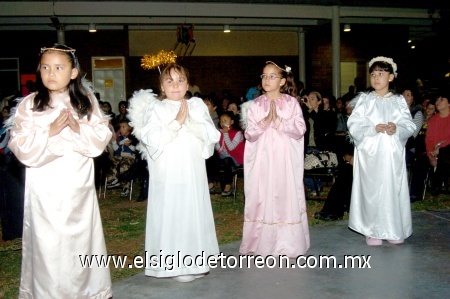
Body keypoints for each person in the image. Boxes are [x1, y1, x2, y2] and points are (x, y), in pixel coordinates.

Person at [6, 44, 112, 297]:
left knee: (80, 241)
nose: (51, 73)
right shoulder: (30, 105)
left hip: (78, 187)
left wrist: (77, 128)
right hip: (45, 189)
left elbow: (100, 138)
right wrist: (49, 131)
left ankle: (84, 290)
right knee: (48, 243)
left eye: (59, 67)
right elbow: (19, 145)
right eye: (45, 67)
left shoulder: (86, 102)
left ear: (73, 72)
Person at [127, 63, 220, 282]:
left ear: (188, 84)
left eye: (180, 80)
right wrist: (176, 123)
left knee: (191, 209)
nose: (175, 85)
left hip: (192, 168)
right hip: (168, 170)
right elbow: (151, 137)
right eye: (169, 81)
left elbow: (210, 134)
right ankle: (172, 263)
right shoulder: (157, 108)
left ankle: (195, 261)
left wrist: (189, 121)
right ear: (161, 86)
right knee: (172, 210)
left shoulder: (196, 105)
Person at [239, 61, 309, 257]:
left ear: (282, 81)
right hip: (263, 161)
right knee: (263, 195)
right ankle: (262, 242)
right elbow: (250, 134)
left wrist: (279, 121)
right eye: (264, 76)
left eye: (272, 76)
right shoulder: (255, 105)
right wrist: (264, 122)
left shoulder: (291, 103)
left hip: (285, 161)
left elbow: (300, 129)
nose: (267, 80)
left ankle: (288, 244)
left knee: (284, 195)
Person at [347, 56, 416, 246]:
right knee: (372, 189)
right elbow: (354, 124)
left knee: (392, 188)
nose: (376, 78)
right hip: (371, 153)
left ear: (391, 77)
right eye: (373, 74)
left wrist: (397, 128)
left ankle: (393, 228)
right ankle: (373, 229)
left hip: (391, 153)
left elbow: (409, 125)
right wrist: (372, 129)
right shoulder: (365, 100)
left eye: (381, 74)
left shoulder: (399, 101)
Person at [314, 99, 355, 221]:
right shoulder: (342, 119)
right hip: (350, 158)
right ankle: (333, 209)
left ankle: (334, 209)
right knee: (345, 171)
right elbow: (341, 142)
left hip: (367, 159)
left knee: (347, 172)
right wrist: (346, 156)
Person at [409, 98, 436, 201]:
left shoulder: (434, 122)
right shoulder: (421, 119)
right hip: (416, 148)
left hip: (426, 151)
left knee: (420, 164)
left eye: (431, 109)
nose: (428, 110)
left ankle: (415, 194)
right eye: (427, 108)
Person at [425, 90, 450, 196]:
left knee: (445, 152)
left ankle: (436, 183)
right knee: (421, 162)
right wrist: (430, 155)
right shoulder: (432, 120)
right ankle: (414, 194)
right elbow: (429, 139)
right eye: (437, 100)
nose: (438, 102)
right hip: (436, 151)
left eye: (442, 99)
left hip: (445, 150)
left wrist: (440, 148)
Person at [106, 118, 138, 197]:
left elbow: (136, 150)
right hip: (120, 156)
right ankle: (113, 180)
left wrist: (130, 145)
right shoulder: (120, 138)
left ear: (129, 128)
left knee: (124, 166)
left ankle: (125, 186)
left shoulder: (133, 138)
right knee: (113, 163)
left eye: (124, 127)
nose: (121, 129)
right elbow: (117, 150)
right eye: (120, 127)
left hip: (129, 157)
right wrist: (114, 142)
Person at [215, 111, 245, 196]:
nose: (222, 123)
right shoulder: (219, 133)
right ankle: (211, 183)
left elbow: (231, 147)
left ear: (232, 122)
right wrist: (220, 148)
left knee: (226, 160)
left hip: (236, 158)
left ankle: (228, 185)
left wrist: (225, 133)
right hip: (224, 156)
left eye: (225, 120)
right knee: (212, 158)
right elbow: (217, 146)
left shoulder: (237, 133)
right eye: (221, 121)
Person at [402, 88, 423, 166]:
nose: (404, 97)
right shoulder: (396, 111)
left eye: (408, 95)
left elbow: (412, 135)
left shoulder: (417, 113)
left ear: (413, 98)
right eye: (403, 94)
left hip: (408, 146)